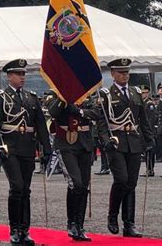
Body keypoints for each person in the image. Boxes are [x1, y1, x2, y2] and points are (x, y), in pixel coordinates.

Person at [0, 59, 52, 245]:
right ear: (9, 76)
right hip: (10, 148)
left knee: (26, 189)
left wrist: (46, 149)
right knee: (16, 187)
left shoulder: (31, 97)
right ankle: (14, 229)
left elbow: (40, 125)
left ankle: (25, 229)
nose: (22, 77)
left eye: (24, 74)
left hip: (27, 148)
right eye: (18, 74)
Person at [98, 58, 154, 238]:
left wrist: (149, 141)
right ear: (113, 74)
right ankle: (112, 216)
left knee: (131, 183)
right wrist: (106, 139)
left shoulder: (136, 92)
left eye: (127, 72)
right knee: (121, 179)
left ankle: (129, 224)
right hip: (116, 142)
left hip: (134, 142)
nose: (125, 75)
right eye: (121, 72)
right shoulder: (106, 94)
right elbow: (102, 121)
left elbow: (143, 119)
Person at [47, 91, 103, 242]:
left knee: (83, 187)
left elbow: (98, 113)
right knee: (76, 183)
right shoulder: (56, 95)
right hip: (65, 143)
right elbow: (53, 112)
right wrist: (63, 99)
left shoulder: (88, 95)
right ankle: (71, 223)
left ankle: (79, 225)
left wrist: (79, 111)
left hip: (84, 143)